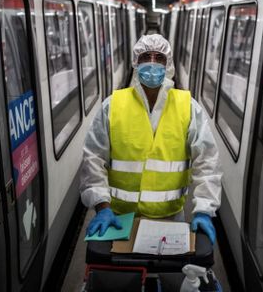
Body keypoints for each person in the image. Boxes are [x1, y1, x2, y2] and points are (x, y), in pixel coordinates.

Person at [79, 34, 222, 244]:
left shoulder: (188, 108)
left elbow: (208, 162)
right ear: (136, 62)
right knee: (121, 277)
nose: (153, 63)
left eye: (159, 58)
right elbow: (92, 158)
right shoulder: (113, 106)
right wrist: (102, 206)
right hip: (118, 220)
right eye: (146, 57)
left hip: (171, 219)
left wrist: (203, 210)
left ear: (169, 64)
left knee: (173, 276)